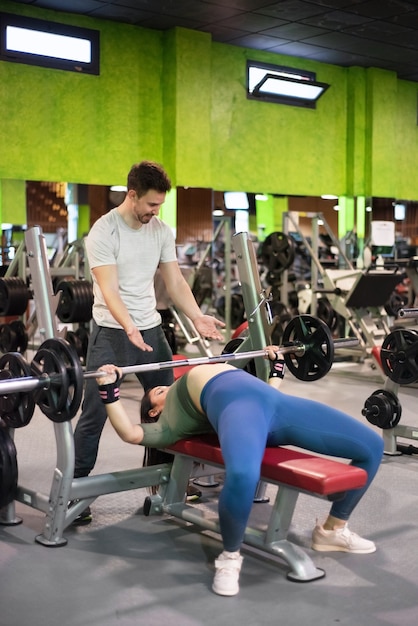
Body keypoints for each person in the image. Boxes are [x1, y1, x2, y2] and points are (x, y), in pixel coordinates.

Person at [95, 349, 384, 597]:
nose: (165, 387)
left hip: (275, 404)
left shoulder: (181, 388)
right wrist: (109, 391)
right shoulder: (169, 423)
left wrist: (276, 366)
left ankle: (332, 530)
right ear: (155, 411)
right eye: (157, 392)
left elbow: (269, 391)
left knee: (371, 446)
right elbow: (130, 433)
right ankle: (230, 557)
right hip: (240, 410)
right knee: (244, 474)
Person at [72, 160, 224, 523]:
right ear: (132, 195)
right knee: (94, 415)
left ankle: (172, 481)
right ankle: (74, 493)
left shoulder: (160, 230)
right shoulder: (103, 232)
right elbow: (108, 289)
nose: (155, 212)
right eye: (151, 205)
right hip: (112, 332)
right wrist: (127, 325)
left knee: (175, 407)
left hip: (151, 330)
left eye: (160, 206)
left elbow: (174, 282)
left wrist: (196, 315)